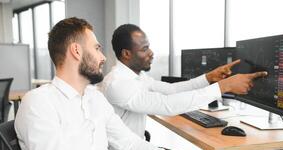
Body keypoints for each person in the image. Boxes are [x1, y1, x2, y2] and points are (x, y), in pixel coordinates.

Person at [15, 17, 246, 150]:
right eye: (96, 48)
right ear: (76, 51)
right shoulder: (39, 103)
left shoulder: (92, 98)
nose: (103, 57)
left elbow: (129, 142)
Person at [99, 24, 267, 139]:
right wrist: (224, 86)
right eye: (144, 49)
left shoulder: (136, 77)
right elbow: (167, 105)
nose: (151, 53)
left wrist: (209, 78)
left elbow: (171, 90)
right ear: (126, 54)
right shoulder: (117, 83)